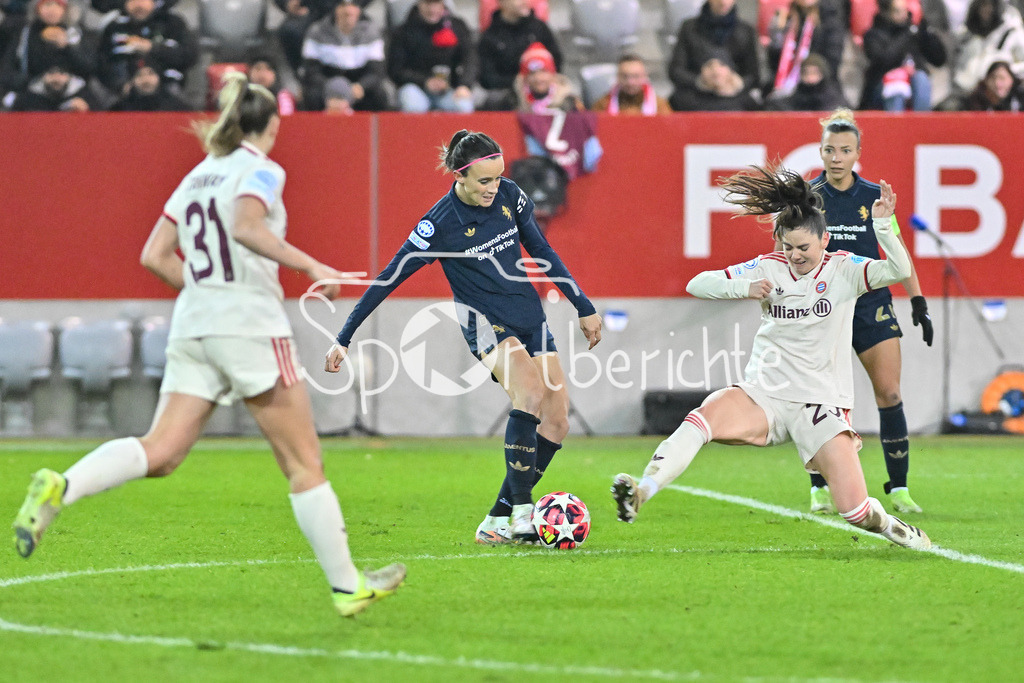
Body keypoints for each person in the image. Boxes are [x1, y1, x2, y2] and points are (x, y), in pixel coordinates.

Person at [11, 71, 405, 617]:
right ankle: (347, 587)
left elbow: (154, 255)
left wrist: (205, 289)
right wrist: (311, 264)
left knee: (162, 451)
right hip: (247, 323)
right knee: (303, 463)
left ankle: (63, 484)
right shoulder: (261, 170)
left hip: (195, 322)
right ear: (269, 124)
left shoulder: (198, 176)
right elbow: (246, 227)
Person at [610, 164, 932, 551]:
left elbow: (899, 269)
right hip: (765, 393)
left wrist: (883, 227)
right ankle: (642, 491)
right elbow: (698, 283)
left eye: (803, 248)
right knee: (702, 419)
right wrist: (744, 287)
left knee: (855, 512)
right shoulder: (767, 267)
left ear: (824, 240)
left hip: (820, 402)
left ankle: (892, 526)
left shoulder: (845, 269)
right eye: (788, 246)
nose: (794, 255)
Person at [324, 130, 602, 545]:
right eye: (484, 181)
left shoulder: (510, 194)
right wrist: (343, 337)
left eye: (497, 178)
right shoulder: (438, 225)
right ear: (460, 176)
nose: (494, 188)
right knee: (529, 392)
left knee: (558, 422)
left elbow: (542, 250)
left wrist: (583, 305)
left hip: (528, 316)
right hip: (485, 322)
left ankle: (496, 519)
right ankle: (524, 513)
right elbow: (387, 280)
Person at [803, 109, 931, 515]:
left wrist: (918, 300)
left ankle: (899, 489)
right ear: (821, 152)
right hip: (824, 304)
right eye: (829, 149)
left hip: (872, 302)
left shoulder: (875, 196)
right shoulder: (808, 197)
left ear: (858, 152)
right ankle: (818, 485)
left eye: (845, 150)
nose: (837, 157)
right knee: (820, 397)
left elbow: (895, 248)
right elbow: (790, 250)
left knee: (890, 392)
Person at [387, 0, 476, 113]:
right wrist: (425, 81)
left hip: (450, 89)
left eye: (436, 4)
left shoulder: (457, 27)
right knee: (413, 105)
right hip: (416, 88)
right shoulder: (404, 31)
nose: (432, 9)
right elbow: (395, 70)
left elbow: (471, 58)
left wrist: (464, 85)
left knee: (464, 106)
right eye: (428, 4)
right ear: (419, 4)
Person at [95, 0, 198, 97]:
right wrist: (120, 85)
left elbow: (190, 56)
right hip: (123, 94)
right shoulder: (114, 27)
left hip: (168, 90)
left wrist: (152, 48)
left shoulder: (173, 23)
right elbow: (101, 64)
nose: (139, 5)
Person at [299, 0, 388, 111]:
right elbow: (311, 71)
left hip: (358, 85)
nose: (348, 11)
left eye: (353, 6)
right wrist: (333, 89)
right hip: (327, 83)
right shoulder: (316, 32)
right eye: (343, 6)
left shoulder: (371, 33)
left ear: (359, 10)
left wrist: (361, 86)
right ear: (335, 9)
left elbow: (376, 72)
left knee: (379, 95)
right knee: (311, 95)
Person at [668, 0, 761, 105]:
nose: (723, 2)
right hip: (695, 97)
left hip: (734, 99)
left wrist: (734, 83)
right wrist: (700, 81)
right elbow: (676, 71)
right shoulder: (689, 28)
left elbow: (753, 75)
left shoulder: (745, 31)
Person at [861, 0, 947, 111]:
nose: (904, 15)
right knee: (897, 82)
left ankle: (922, 125)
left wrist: (925, 31)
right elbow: (883, 60)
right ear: (885, 12)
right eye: (897, 11)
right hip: (881, 89)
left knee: (921, 78)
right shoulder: (873, 35)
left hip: (914, 86)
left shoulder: (916, 32)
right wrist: (907, 33)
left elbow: (939, 59)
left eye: (905, 10)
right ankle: (895, 126)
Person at [0, 0, 93, 101]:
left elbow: (89, 67)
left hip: (71, 93)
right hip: (32, 94)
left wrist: (68, 47)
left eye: (58, 5)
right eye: (47, 4)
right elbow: (7, 70)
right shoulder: (24, 34)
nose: (52, 10)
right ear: (37, 9)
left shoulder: (75, 33)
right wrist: (32, 81)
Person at [478, 0, 562, 110]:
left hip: (542, 88)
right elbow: (487, 77)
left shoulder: (539, 28)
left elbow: (557, 62)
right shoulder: (490, 36)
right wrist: (519, 82)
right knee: (494, 100)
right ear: (502, 3)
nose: (525, 2)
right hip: (507, 92)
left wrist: (541, 79)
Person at [766, 0, 847, 99]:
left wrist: (808, 72)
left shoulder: (830, 19)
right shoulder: (787, 19)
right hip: (785, 87)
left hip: (820, 87)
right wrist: (777, 41)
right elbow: (774, 65)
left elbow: (832, 62)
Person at [670, 51, 761, 111]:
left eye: (721, 65)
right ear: (701, 71)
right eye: (709, 65)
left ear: (731, 70)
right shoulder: (687, 100)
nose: (715, 71)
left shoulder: (747, 101)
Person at [591, 53, 672, 115]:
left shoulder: (659, 106)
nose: (630, 82)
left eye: (635, 76)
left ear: (645, 76)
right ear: (617, 77)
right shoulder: (602, 104)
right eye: (624, 76)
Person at [764, 52, 849, 110]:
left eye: (815, 73)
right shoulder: (793, 101)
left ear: (823, 75)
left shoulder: (836, 103)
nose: (810, 77)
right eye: (806, 73)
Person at [109, 54, 191, 110]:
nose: (146, 80)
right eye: (139, 75)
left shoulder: (177, 108)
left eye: (150, 74)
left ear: (159, 77)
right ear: (132, 81)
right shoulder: (119, 109)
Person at [8, 60, 97, 110]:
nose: (56, 78)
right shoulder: (28, 98)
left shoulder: (84, 94)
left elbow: (99, 122)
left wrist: (86, 111)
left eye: (61, 73)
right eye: (51, 73)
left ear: (69, 76)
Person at [246, 50, 298, 115]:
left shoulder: (283, 97)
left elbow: (287, 120)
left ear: (275, 74)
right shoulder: (242, 96)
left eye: (268, 69)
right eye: (258, 68)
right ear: (249, 72)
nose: (262, 74)